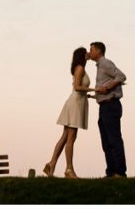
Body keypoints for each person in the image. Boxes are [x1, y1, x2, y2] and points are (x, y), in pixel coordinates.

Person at [44, 47, 95, 179]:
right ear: (82, 55)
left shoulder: (80, 67)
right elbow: (77, 87)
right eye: (86, 52)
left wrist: (88, 95)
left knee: (66, 136)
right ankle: (69, 169)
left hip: (77, 102)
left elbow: (79, 88)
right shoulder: (80, 68)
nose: (88, 53)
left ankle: (51, 164)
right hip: (75, 104)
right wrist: (94, 89)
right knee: (71, 138)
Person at [88, 41, 127, 178]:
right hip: (104, 106)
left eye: (91, 49)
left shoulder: (105, 63)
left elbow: (122, 76)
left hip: (111, 106)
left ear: (99, 50)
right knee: (106, 141)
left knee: (114, 139)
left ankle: (120, 172)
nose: (89, 52)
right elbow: (103, 88)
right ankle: (111, 172)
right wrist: (93, 96)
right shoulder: (99, 66)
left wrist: (109, 87)